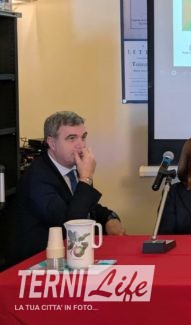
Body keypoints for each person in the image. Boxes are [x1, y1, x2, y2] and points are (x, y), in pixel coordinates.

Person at [13, 111, 125, 262]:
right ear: (52, 143)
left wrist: (109, 218)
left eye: (83, 137)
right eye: (72, 138)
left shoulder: (73, 168)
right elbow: (70, 227)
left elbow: (85, 207)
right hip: (39, 263)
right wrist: (86, 178)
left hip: (72, 257)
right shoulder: (37, 178)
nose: (81, 145)